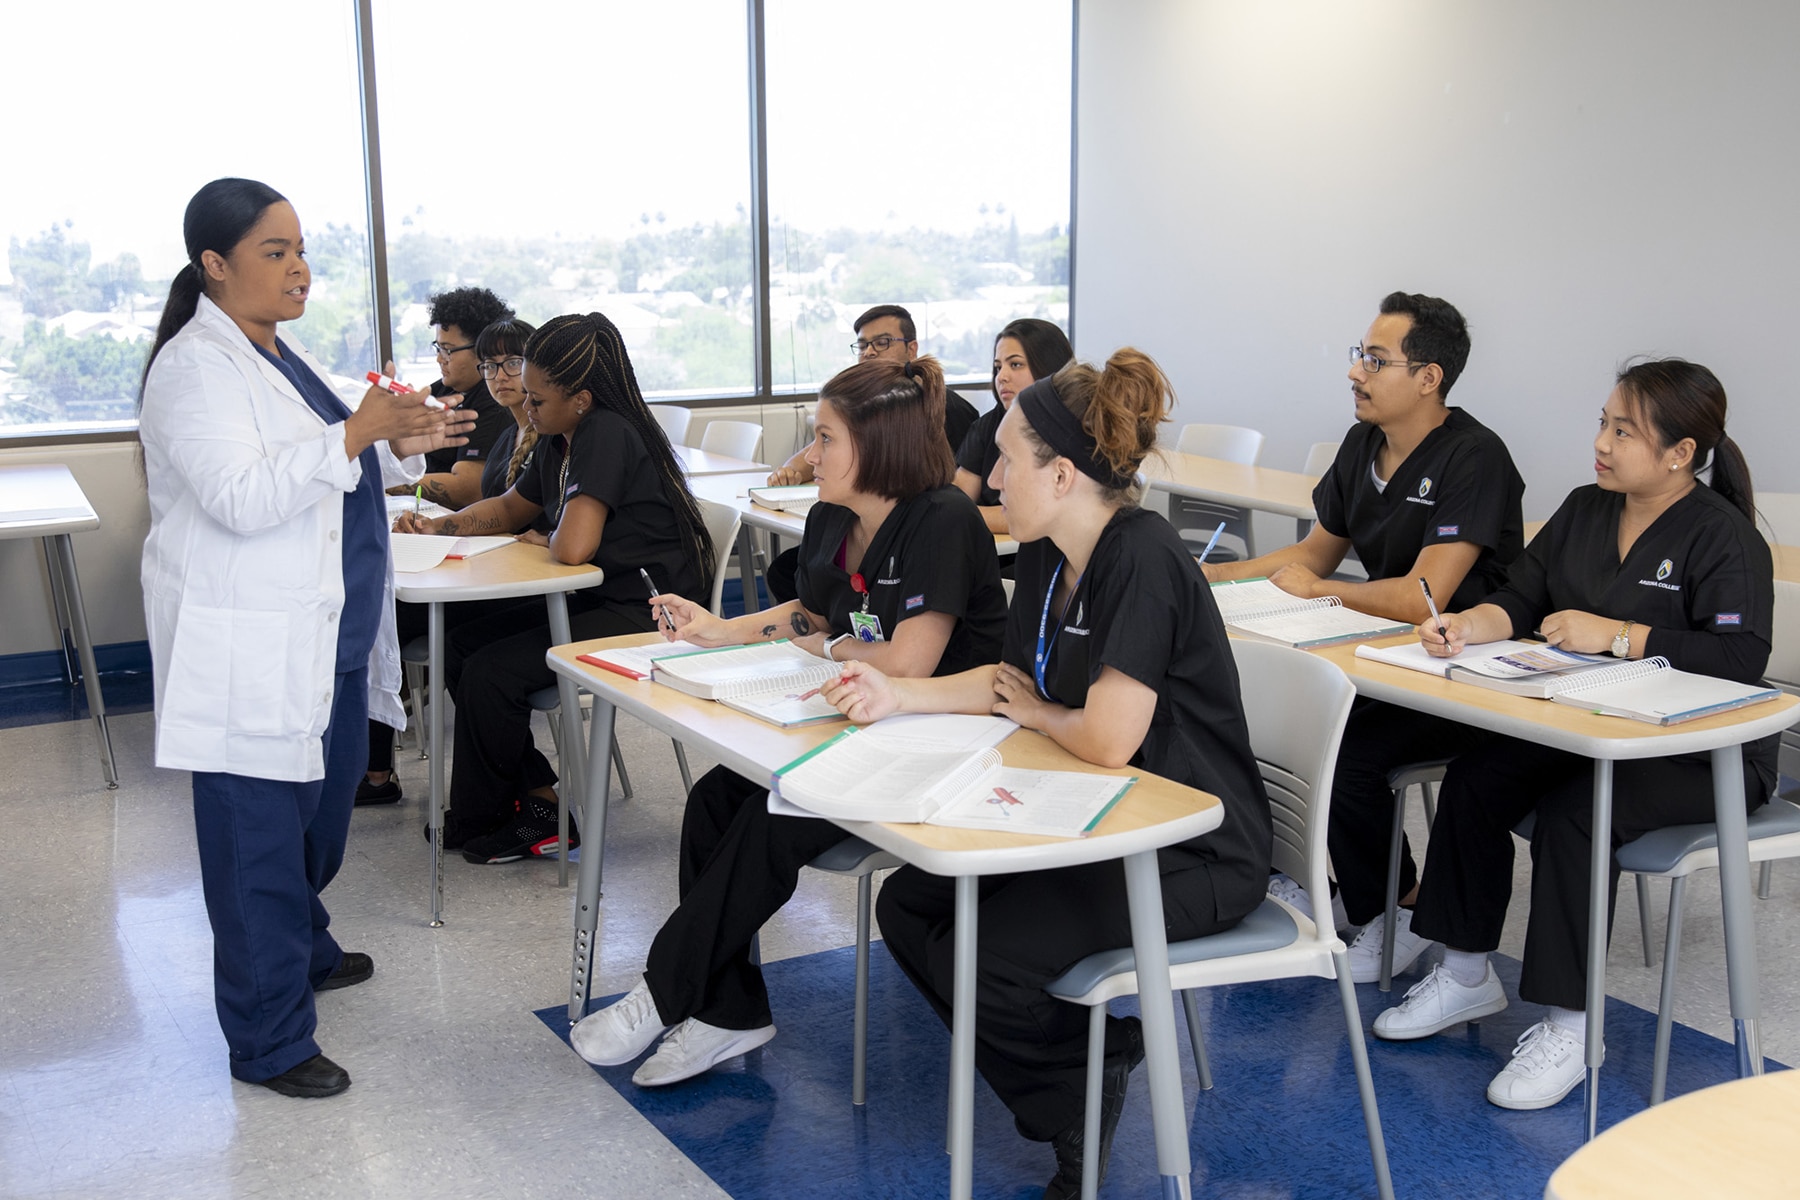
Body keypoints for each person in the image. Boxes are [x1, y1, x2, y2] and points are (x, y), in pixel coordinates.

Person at [820, 350, 1271, 1199]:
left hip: (1192, 849)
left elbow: (1104, 736)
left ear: (1061, 474)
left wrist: (1036, 717)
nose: (990, 475)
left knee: (989, 955)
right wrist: (898, 692)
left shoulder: (1140, 557)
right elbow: (1004, 684)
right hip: (1098, 816)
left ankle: (1074, 1099)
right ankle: (1086, 1061)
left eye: (1008, 458)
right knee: (914, 907)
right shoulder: (1046, 551)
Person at [568, 355, 1007, 1089]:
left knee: (772, 818)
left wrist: (827, 645)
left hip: (945, 743)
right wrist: (719, 630)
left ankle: (664, 989)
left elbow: (908, 662)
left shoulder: (942, 520)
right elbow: (816, 614)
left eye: (825, 438)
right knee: (716, 801)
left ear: (878, 448)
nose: (809, 455)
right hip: (865, 724)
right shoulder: (834, 516)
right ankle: (729, 1012)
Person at [138, 178, 474, 1099]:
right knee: (256, 852)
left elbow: (344, 451)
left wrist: (408, 432)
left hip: (326, 642)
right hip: (249, 651)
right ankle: (270, 1041)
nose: (299, 270)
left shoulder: (283, 354)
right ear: (215, 265)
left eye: (300, 250)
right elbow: (244, 496)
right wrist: (359, 432)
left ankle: (308, 946)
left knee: (315, 831)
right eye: (274, 252)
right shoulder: (194, 368)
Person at [1370, 358, 1777, 1112]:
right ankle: (1464, 974)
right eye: (1603, 421)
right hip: (1590, 724)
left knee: (1576, 816)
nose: (1603, 441)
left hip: (1704, 753)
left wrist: (1618, 635)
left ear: (1679, 454)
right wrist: (1464, 625)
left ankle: (1570, 1027)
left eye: (1625, 431)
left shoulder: (1723, 538)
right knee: (1476, 781)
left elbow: (1738, 659)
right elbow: (1520, 597)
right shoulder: (1586, 507)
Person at [1205, 291, 1526, 978]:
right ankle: (1301, 871)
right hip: (1389, 661)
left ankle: (1397, 908)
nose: (1356, 372)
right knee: (1268, 723)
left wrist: (1329, 593)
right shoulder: (1362, 445)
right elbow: (1311, 557)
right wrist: (1209, 580)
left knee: (1346, 755)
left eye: (1376, 360)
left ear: (1428, 376)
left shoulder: (1475, 458)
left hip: (1467, 674)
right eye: (1360, 356)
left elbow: (1424, 593)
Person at [395, 312, 713, 862]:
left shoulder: (606, 433)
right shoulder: (558, 436)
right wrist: (439, 527)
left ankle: (510, 813)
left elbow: (572, 548)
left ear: (582, 398)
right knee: (461, 646)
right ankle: (530, 798)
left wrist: (548, 535)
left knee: (493, 672)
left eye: (539, 401)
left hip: (650, 615)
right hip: (596, 595)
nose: (529, 410)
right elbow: (512, 507)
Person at [357, 316, 543, 806]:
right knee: (387, 607)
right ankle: (372, 766)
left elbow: (525, 519)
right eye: (490, 365)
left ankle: (377, 771)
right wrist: (435, 528)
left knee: (402, 619)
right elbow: (496, 513)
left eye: (512, 363)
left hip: (525, 590)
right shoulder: (512, 438)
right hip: (496, 572)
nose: (499, 375)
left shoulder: (548, 437)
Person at [762, 304, 980, 602]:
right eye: (863, 345)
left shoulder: (941, 413)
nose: (870, 352)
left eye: (882, 342)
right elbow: (806, 457)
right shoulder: (827, 511)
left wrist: (826, 647)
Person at [390, 285, 516, 510]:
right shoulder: (443, 390)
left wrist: (386, 481)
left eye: (447, 350)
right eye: (437, 348)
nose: (440, 359)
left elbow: (468, 489)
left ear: (482, 350)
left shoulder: (495, 402)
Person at [953, 318, 1075, 534]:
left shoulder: (1073, 429)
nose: (1002, 377)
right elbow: (955, 500)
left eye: (1015, 364)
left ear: (1048, 366)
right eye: (998, 367)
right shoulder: (988, 426)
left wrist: (968, 515)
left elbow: (1037, 514)